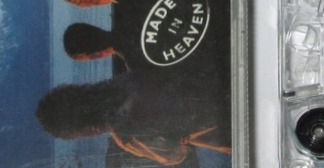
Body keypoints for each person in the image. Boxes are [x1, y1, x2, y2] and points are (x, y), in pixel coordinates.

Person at [36, 69, 231, 165]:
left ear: (80, 129)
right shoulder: (126, 80)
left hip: (224, 129)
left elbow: (175, 155)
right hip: (222, 87)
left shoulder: (126, 136)